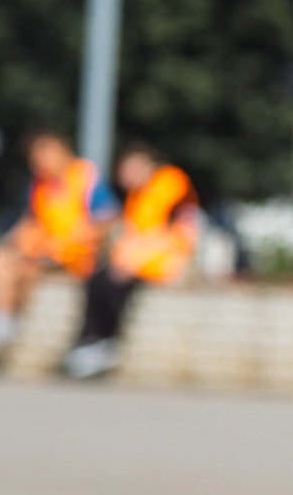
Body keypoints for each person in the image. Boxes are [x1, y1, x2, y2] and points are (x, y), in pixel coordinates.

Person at [61, 143, 203, 379]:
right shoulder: (137, 194)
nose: (126, 175)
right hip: (142, 257)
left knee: (113, 281)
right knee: (98, 278)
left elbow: (176, 230)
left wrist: (135, 257)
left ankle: (105, 342)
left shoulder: (168, 182)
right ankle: (93, 340)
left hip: (166, 257)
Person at [0, 130, 112, 369]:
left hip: (75, 256)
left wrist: (74, 240)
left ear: (62, 150)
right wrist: (8, 245)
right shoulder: (39, 181)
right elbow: (30, 220)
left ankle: (2, 327)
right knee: (1, 262)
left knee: (23, 269)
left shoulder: (84, 176)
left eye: (44, 153)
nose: (38, 161)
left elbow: (106, 219)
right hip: (43, 252)